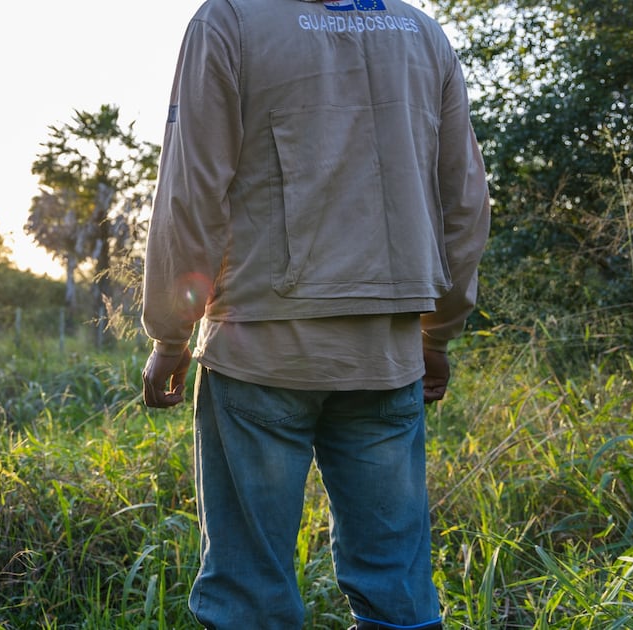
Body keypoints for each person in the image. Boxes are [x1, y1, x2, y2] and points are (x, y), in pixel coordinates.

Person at [140, 0, 490, 628]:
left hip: (258, 354)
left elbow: (191, 193)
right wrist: (437, 331)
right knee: (397, 587)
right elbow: (464, 200)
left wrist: (170, 333)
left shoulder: (229, 21)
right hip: (386, 357)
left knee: (249, 591)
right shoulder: (421, 33)